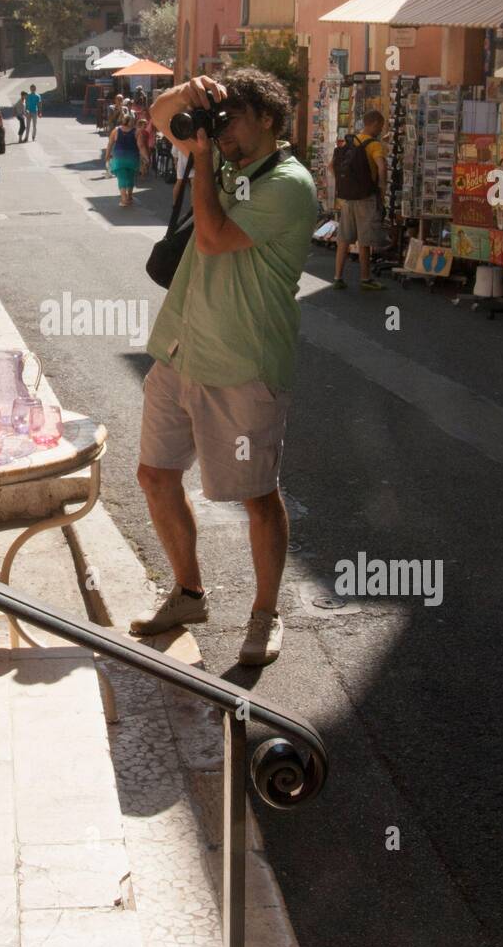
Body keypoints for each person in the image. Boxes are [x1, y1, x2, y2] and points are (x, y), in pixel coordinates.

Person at [130, 69, 318, 667]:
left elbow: (210, 238)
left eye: (231, 118)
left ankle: (265, 613)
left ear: (267, 118)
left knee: (257, 496)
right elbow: (159, 118)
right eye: (219, 119)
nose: (220, 130)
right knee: (155, 476)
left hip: (243, 361)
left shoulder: (288, 183)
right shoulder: (229, 156)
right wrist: (190, 94)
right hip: (181, 347)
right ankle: (188, 594)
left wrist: (207, 157)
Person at [330, 109, 387, 290]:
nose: (381, 129)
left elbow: (331, 166)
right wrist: (381, 188)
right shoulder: (374, 145)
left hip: (347, 197)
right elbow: (382, 168)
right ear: (375, 124)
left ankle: (338, 277)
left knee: (344, 238)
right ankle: (365, 279)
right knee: (364, 240)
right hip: (365, 197)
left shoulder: (350, 141)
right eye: (381, 126)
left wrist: (344, 183)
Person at [106, 110, 146, 208]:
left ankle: (124, 199)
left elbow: (110, 144)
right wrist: (146, 158)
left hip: (119, 158)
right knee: (130, 176)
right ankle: (130, 196)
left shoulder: (116, 130)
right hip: (132, 158)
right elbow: (141, 146)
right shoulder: (136, 132)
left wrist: (107, 155)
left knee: (122, 177)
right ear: (132, 122)